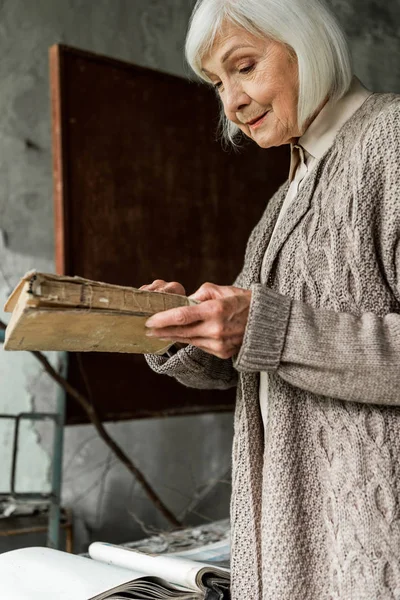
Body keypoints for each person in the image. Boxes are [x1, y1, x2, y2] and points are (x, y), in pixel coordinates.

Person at [140, 0, 400, 598]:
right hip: (292, 544)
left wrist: (266, 328)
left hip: (367, 551)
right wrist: (192, 331)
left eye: (246, 66)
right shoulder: (285, 197)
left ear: (308, 45)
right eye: (217, 83)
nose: (231, 103)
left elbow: (278, 335)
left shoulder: (389, 138)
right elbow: (267, 361)